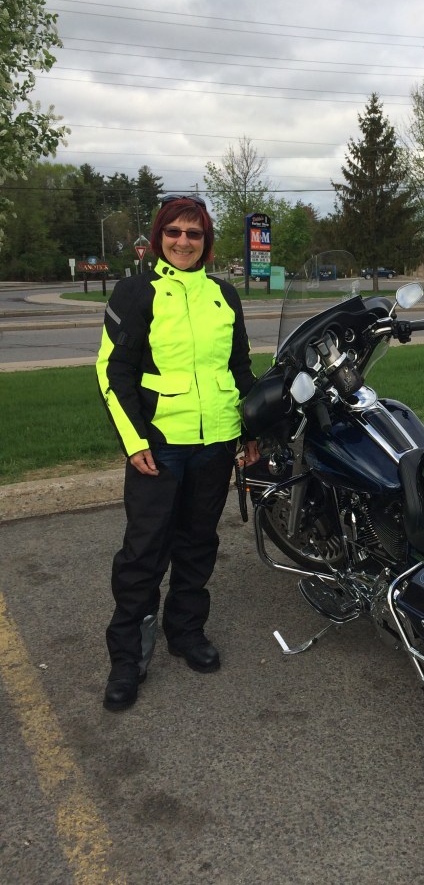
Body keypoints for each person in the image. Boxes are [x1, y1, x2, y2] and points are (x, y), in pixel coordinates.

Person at [96, 194, 259, 711]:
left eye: (194, 233)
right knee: (144, 552)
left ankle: (186, 631)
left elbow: (239, 368)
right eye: (174, 232)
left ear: (206, 241)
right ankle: (128, 657)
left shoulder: (223, 294)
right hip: (159, 446)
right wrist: (134, 442)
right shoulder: (135, 291)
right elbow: (112, 371)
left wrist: (251, 430)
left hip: (216, 443)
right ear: (158, 238)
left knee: (197, 543)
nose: (183, 242)